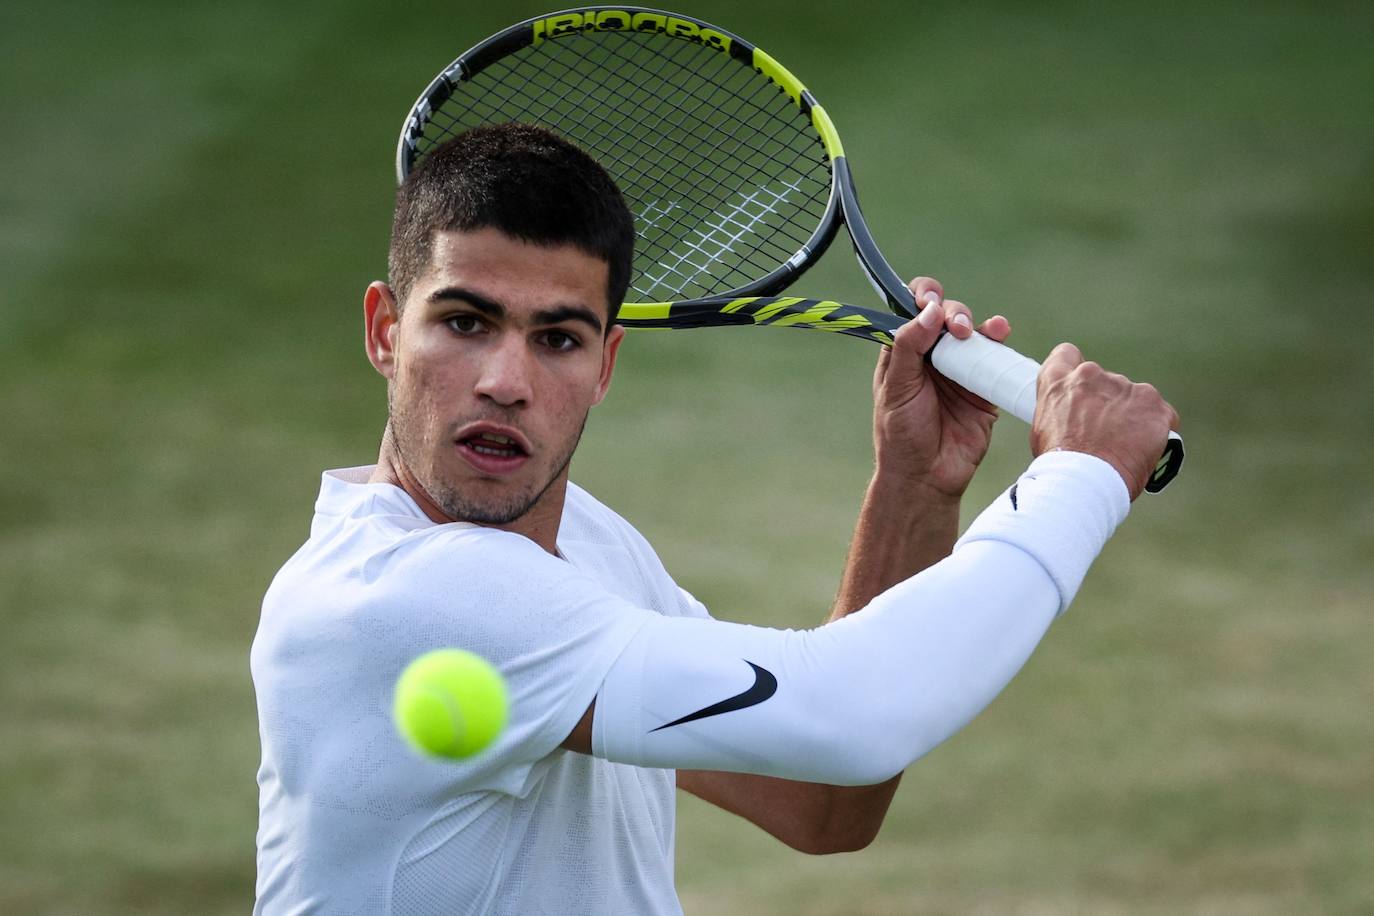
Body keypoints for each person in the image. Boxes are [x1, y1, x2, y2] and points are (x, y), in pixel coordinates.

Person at [251, 123, 1178, 914]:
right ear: (383, 331)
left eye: (558, 339)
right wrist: (1080, 478)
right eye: (463, 323)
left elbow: (823, 803)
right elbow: (850, 718)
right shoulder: (407, 598)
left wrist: (917, 487)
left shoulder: (592, 548)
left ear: (606, 365)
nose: (506, 381)